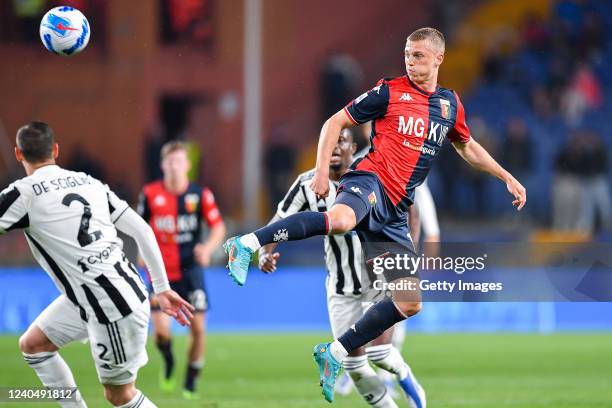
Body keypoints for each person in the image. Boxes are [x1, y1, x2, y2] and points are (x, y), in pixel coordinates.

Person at [224, 27, 526, 402]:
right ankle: (248, 242)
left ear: (438, 58)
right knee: (340, 221)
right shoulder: (389, 91)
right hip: (370, 181)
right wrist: (321, 172)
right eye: (407, 54)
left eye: (417, 55)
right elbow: (334, 122)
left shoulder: (449, 106)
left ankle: (334, 352)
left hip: (395, 211)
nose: (410, 61)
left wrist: (505, 176)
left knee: (409, 301)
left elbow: (467, 147)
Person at [1, 122, 193, 408]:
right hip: (111, 290)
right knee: (34, 345)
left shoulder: (22, 195)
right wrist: (162, 288)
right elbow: (142, 230)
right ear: (55, 150)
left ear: (18, 154)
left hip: (110, 305)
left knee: (120, 395)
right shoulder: (87, 182)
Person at [258, 128, 425, 408]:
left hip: (379, 278)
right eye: (330, 143)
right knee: (355, 368)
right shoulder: (306, 184)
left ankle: (409, 383)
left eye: (342, 142)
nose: (335, 148)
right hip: (340, 286)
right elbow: (278, 222)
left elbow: (412, 210)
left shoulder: (373, 176)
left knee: (380, 353)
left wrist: (409, 256)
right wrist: (265, 252)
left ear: (353, 147)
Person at [137, 141, 226, 399]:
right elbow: (139, 227)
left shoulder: (200, 195)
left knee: (198, 329)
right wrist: (141, 252)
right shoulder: (150, 194)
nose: (175, 166)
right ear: (163, 165)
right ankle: (168, 362)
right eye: (170, 162)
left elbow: (218, 227)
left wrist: (208, 249)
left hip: (191, 272)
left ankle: (191, 378)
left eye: (179, 161)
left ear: (187, 165)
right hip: (159, 272)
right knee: (161, 334)